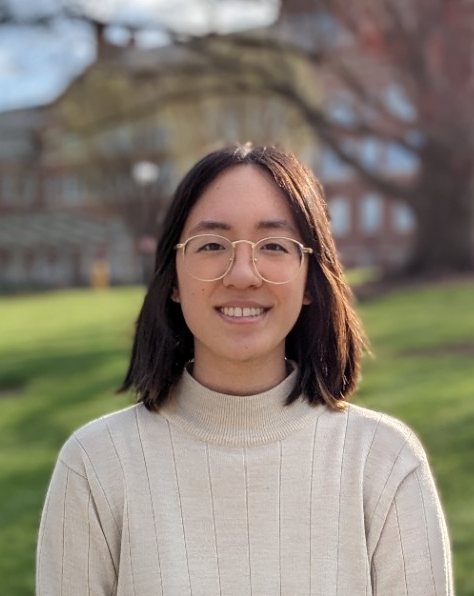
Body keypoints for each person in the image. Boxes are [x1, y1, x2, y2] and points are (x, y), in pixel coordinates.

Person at [36, 144, 452, 595]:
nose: (242, 273)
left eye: (273, 245)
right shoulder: (96, 464)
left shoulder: (383, 462)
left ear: (310, 278)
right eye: (212, 244)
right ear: (173, 278)